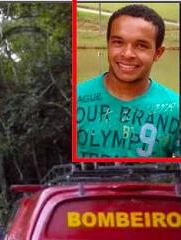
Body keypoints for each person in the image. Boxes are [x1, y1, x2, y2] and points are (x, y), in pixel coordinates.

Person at [76, 5, 179, 159]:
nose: (127, 54)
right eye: (118, 42)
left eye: (141, 45)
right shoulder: (75, 99)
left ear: (158, 53)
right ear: (108, 44)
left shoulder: (174, 108)